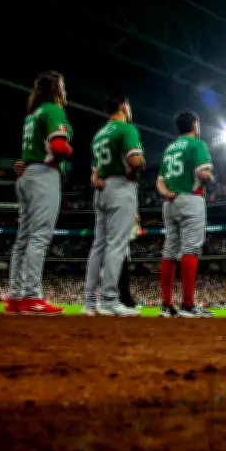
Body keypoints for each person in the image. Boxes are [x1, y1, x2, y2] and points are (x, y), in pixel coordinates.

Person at [5, 71, 71, 316]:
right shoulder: (54, 111)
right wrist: (69, 149)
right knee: (39, 237)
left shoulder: (32, 115)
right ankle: (33, 296)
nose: (65, 91)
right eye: (62, 86)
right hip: (44, 174)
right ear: (55, 88)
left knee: (23, 238)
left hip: (26, 175)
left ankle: (16, 296)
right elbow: (58, 147)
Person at [82, 96, 145, 317]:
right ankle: (110, 299)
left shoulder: (99, 134)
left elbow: (95, 170)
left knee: (98, 245)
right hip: (121, 186)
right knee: (117, 245)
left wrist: (96, 177)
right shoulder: (126, 129)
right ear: (125, 106)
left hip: (101, 190)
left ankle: (89, 301)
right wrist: (138, 165)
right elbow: (136, 161)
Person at [157, 110, 214, 318]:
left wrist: (166, 193)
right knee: (190, 249)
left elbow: (160, 181)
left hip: (170, 202)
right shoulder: (197, 145)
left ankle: (166, 305)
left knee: (169, 251)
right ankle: (188, 305)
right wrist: (210, 177)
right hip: (191, 199)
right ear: (194, 124)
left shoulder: (169, 149)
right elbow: (202, 173)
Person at [118, 214, 142, 308]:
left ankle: (124, 300)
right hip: (116, 252)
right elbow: (132, 235)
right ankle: (122, 301)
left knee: (123, 278)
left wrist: (136, 223)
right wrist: (136, 223)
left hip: (121, 252)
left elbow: (132, 236)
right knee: (121, 278)